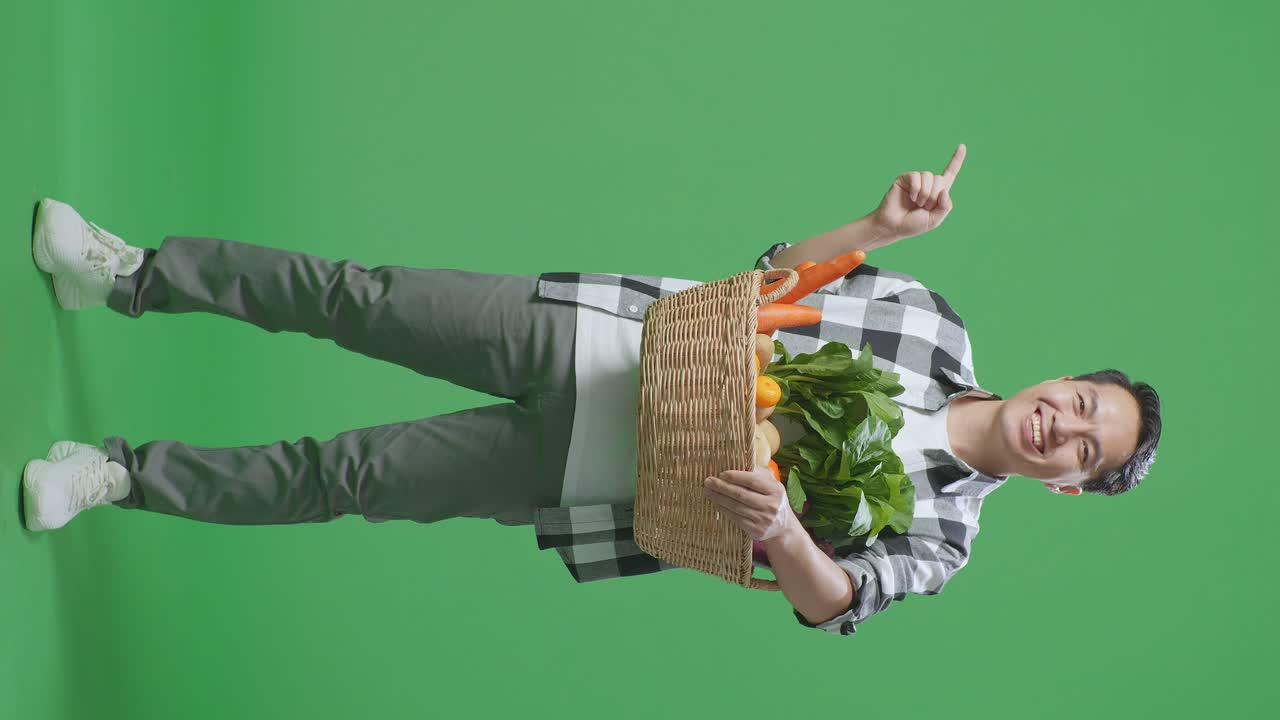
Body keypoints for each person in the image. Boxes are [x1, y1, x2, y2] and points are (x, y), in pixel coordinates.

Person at [23, 143, 1162, 637]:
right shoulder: (932, 324)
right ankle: (126, 277)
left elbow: (838, 604)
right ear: (1061, 380)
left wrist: (786, 538)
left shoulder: (947, 536)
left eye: (1082, 450)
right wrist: (875, 227)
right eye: (1078, 403)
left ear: (1067, 485)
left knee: (347, 477)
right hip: (601, 337)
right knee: (356, 297)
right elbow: (773, 280)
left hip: (599, 476)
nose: (1060, 425)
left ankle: (119, 476)